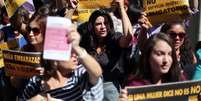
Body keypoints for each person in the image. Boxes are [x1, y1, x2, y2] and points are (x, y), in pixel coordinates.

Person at [17, 4, 103, 101]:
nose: (75, 56)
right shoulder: (37, 82)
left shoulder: (79, 74)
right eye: (29, 29)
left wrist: (77, 48)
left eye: (35, 30)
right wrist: (38, 98)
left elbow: (97, 73)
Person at [80, 0, 133, 100]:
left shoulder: (115, 39)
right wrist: (71, 9)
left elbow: (128, 37)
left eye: (106, 23)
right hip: (89, 89)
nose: (103, 27)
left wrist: (121, 8)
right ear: (91, 27)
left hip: (110, 89)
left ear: (110, 25)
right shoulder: (85, 41)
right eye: (98, 24)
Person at [119, 33, 185, 101]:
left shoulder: (179, 80)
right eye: (160, 54)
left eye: (169, 54)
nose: (166, 60)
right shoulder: (135, 87)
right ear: (148, 57)